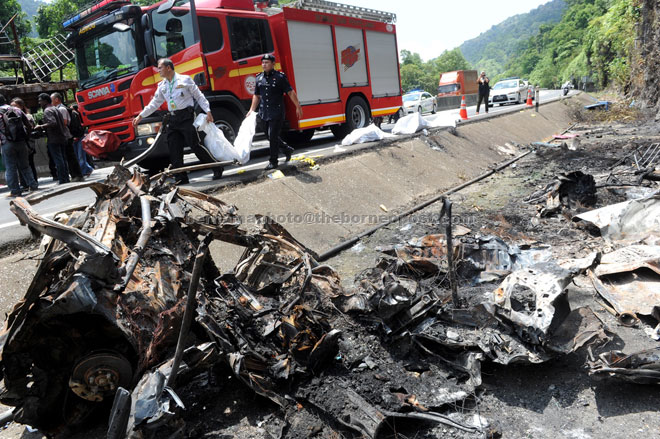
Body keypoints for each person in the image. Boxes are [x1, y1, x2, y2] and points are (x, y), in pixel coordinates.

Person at [132, 58, 222, 184]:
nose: (158, 71)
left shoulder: (185, 80)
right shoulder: (162, 86)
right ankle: (181, 177)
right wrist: (141, 116)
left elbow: (199, 96)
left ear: (168, 68)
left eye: (160, 68)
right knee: (174, 148)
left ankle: (216, 167)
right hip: (173, 119)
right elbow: (154, 103)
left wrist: (208, 111)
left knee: (195, 145)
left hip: (186, 117)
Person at [247, 53, 302, 170]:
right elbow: (256, 95)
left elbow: (290, 92)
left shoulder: (280, 77)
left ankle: (273, 161)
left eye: (266, 63)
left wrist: (298, 106)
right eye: (262, 62)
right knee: (269, 135)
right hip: (263, 112)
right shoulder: (258, 78)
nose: (264, 65)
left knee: (273, 135)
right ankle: (286, 149)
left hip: (276, 111)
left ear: (273, 64)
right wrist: (251, 109)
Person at [0, 93, 38, 197]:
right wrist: (26, 137)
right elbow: (29, 125)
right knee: (25, 166)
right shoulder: (16, 110)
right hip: (21, 142)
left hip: (6, 143)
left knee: (10, 167)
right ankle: (33, 186)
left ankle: (15, 191)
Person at [34, 93, 70, 185]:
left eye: (40, 101)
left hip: (54, 138)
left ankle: (62, 179)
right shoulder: (55, 109)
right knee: (63, 159)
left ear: (45, 101)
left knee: (58, 159)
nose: (39, 103)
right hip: (61, 137)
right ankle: (66, 178)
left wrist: (40, 126)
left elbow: (52, 122)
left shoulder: (47, 110)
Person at [51, 92, 84, 182]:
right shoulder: (58, 109)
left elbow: (64, 122)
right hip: (64, 136)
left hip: (66, 136)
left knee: (70, 157)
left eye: (52, 99)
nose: (51, 101)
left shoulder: (61, 109)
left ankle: (77, 175)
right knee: (68, 156)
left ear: (57, 99)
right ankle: (74, 175)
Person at [10, 98, 38, 188]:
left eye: (15, 106)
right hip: (19, 142)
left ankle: (33, 181)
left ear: (21, 106)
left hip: (28, 142)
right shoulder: (10, 117)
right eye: (12, 106)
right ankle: (24, 183)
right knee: (20, 164)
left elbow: (30, 127)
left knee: (29, 163)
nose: (13, 108)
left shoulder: (27, 116)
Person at [69, 104, 94, 176]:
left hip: (79, 137)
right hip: (79, 137)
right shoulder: (77, 115)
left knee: (80, 156)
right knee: (80, 156)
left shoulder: (75, 115)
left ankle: (84, 171)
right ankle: (88, 169)